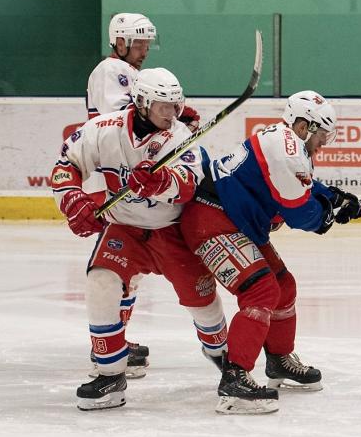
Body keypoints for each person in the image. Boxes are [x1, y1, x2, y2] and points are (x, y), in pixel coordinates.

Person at [51, 67, 229, 410]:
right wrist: (72, 197)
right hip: (125, 228)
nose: (171, 114)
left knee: (202, 303)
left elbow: (190, 181)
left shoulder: (180, 138)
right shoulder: (104, 130)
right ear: (142, 103)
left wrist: (163, 184)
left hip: (172, 230)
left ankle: (224, 358)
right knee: (100, 282)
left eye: (176, 106)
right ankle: (110, 375)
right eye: (163, 106)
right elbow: (67, 162)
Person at [180, 90, 361, 414]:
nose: (325, 143)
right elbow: (298, 213)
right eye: (322, 134)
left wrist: (334, 197)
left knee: (284, 287)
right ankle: (235, 377)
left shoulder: (285, 141)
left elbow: (303, 188)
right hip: (213, 220)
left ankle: (278, 360)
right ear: (304, 125)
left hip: (237, 222)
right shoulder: (288, 150)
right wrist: (326, 216)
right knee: (261, 290)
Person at [84, 13, 202, 378]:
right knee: (113, 269)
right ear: (119, 41)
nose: (144, 49)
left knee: (127, 273)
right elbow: (122, 115)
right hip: (118, 176)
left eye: (147, 43)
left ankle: (117, 339)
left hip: (133, 173)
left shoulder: (130, 73)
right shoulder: (111, 70)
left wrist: (176, 118)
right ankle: (105, 346)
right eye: (138, 43)